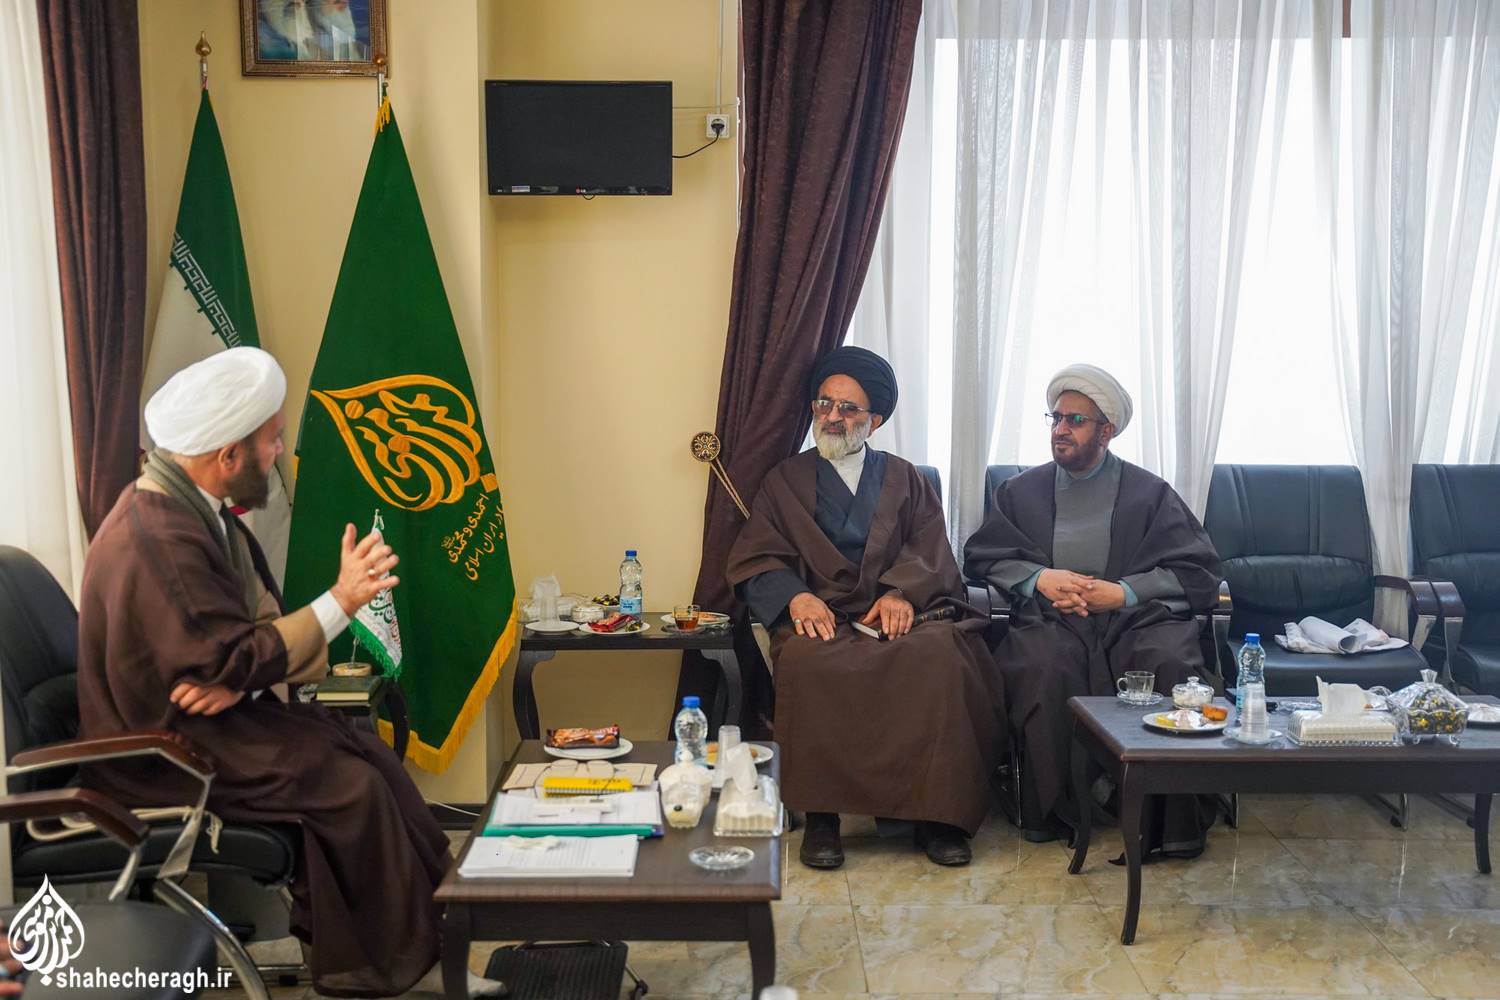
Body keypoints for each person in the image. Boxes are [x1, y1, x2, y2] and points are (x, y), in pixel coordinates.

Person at [76, 348, 501, 998]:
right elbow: (230, 655)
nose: (279, 452)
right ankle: (391, 964)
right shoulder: (155, 536)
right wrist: (339, 602)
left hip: (205, 727)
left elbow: (242, 638)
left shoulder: (191, 510)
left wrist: (236, 674)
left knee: (368, 753)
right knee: (350, 785)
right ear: (227, 456)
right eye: (271, 440)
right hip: (162, 754)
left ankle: (436, 938)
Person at [727, 346, 1006, 870]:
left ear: (874, 421)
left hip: (898, 616)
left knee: (942, 655)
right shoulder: (784, 480)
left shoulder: (906, 478)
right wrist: (795, 595)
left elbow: (931, 550)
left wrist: (901, 593)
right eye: (824, 404)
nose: (832, 416)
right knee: (806, 659)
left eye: (848, 408)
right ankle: (823, 817)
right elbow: (757, 555)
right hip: (822, 617)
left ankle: (936, 818)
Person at [963, 364, 1224, 857]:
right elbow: (983, 556)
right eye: (1056, 418)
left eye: (1075, 421)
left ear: (1106, 432)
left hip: (1137, 618)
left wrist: (1122, 592)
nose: (1060, 430)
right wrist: (1040, 579)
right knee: (1042, 665)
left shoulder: (1150, 493)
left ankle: (1166, 823)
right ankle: (1053, 812)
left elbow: (1198, 570)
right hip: (1052, 618)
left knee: (1168, 663)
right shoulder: (1019, 492)